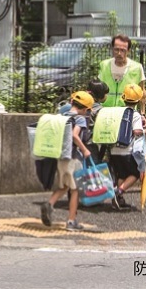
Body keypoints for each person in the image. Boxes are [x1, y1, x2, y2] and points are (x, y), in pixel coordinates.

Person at [40, 91, 92, 232]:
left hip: (61, 156)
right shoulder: (80, 118)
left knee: (64, 186)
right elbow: (75, 135)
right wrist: (85, 150)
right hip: (73, 158)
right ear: (86, 109)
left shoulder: (63, 116)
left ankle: (49, 204)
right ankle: (71, 221)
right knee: (75, 190)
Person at [109, 84, 146, 210]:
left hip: (114, 150)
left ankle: (118, 200)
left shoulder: (118, 112)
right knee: (136, 172)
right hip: (127, 150)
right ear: (138, 100)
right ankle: (119, 192)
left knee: (122, 174)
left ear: (123, 98)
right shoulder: (135, 114)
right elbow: (137, 131)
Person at [99, 34, 146, 110]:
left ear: (128, 51)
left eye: (123, 50)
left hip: (127, 113)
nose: (119, 53)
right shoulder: (104, 65)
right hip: (105, 112)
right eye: (116, 49)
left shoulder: (137, 68)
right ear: (112, 49)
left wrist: (143, 114)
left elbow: (142, 93)